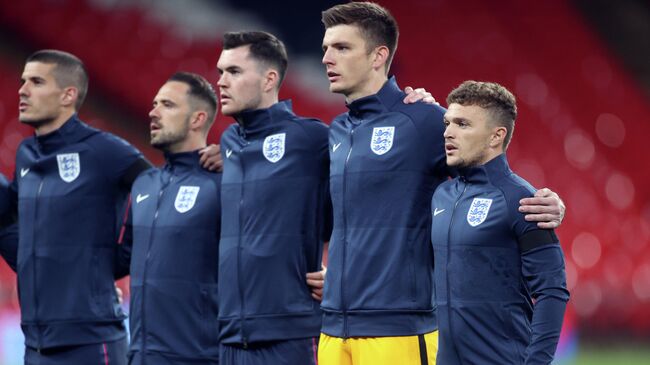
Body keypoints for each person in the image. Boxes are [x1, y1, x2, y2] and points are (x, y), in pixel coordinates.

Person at [317, 3, 566, 365]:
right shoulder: (339, 130)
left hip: (397, 329)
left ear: (378, 56)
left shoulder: (425, 120)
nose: (327, 57)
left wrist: (552, 204)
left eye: (341, 47)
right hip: (332, 331)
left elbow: (488, 173)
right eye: (325, 47)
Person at [5, 49, 153, 364]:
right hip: (36, 346)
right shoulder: (25, 154)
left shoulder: (104, 151)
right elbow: (14, 223)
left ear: (67, 95)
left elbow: (158, 193)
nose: (23, 90)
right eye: (22, 81)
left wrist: (116, 262)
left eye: (36, 81)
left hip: (90, 343)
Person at [431, 80, 569, 364]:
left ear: (496, 136)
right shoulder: (442, 195)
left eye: (463, 124)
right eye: (447, 122)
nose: (448, 132)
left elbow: (551, 290)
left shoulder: (522, 200)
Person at [216, 31, 330, 365]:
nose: (221, 82)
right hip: (230, 338)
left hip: (290, 336)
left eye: (234, 72)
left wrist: (344, 272)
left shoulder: (311, 138)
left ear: (269, 79)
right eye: (220, 71)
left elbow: (365, 208)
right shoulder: (228, 142)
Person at [117, 72, 222, 364]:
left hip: (199, 356)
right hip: (140, 354)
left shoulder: (223, 182)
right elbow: (122, 258)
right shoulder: (144, 184)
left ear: (197, 119)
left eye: (167, 105)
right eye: (153, 104)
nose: (153, 112)